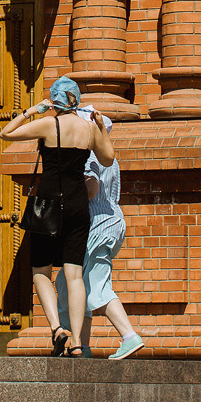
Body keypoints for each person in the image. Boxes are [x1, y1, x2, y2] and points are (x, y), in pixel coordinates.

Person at [0, 76, 112, 358]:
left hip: (48, 204)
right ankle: (76, 343)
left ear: (56, 100)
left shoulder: (49, 124)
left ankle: (57, 329)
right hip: (77, 204)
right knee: (74, 275)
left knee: (41, 272)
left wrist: (31, 111)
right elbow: (108, 158)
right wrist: (100, 126)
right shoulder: (88, 129)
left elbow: (6, 133)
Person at [73, 108, 144, 361]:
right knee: (82, 284)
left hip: (98, 226)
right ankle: (82, 346)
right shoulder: (109, 155)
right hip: (110, 223)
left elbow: (91, 190)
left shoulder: (89, 156)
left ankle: (129, 336)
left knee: (96, 287)